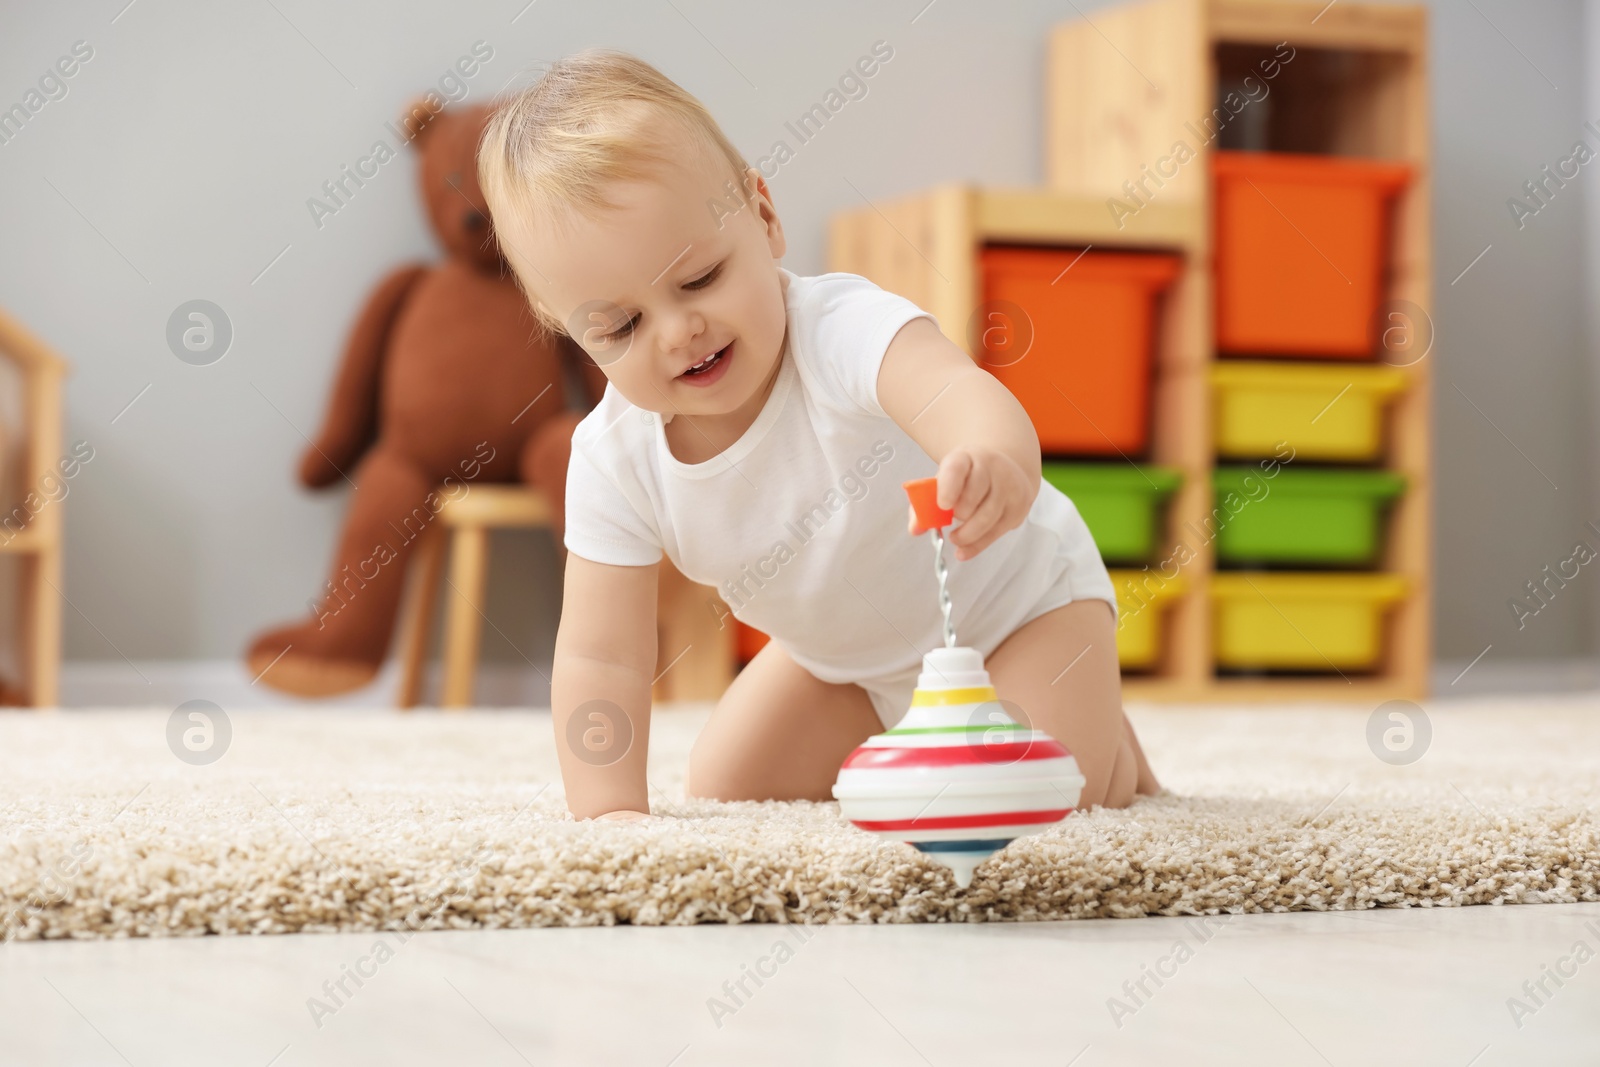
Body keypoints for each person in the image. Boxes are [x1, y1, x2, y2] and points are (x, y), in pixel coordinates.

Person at [477, 48, 1160, 823]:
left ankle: (1112, 753)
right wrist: (609, 819)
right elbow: (603, 657)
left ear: (764, 217)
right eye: (621, 326)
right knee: (727, 784)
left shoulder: (840, 331)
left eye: (699, 278)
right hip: (842, 665)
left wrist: (991, 455)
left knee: (1032, 794)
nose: (678, 330)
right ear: (576, 338)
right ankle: (934, 728)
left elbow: (957, 393)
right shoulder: (614, 460)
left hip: (1018, 612)